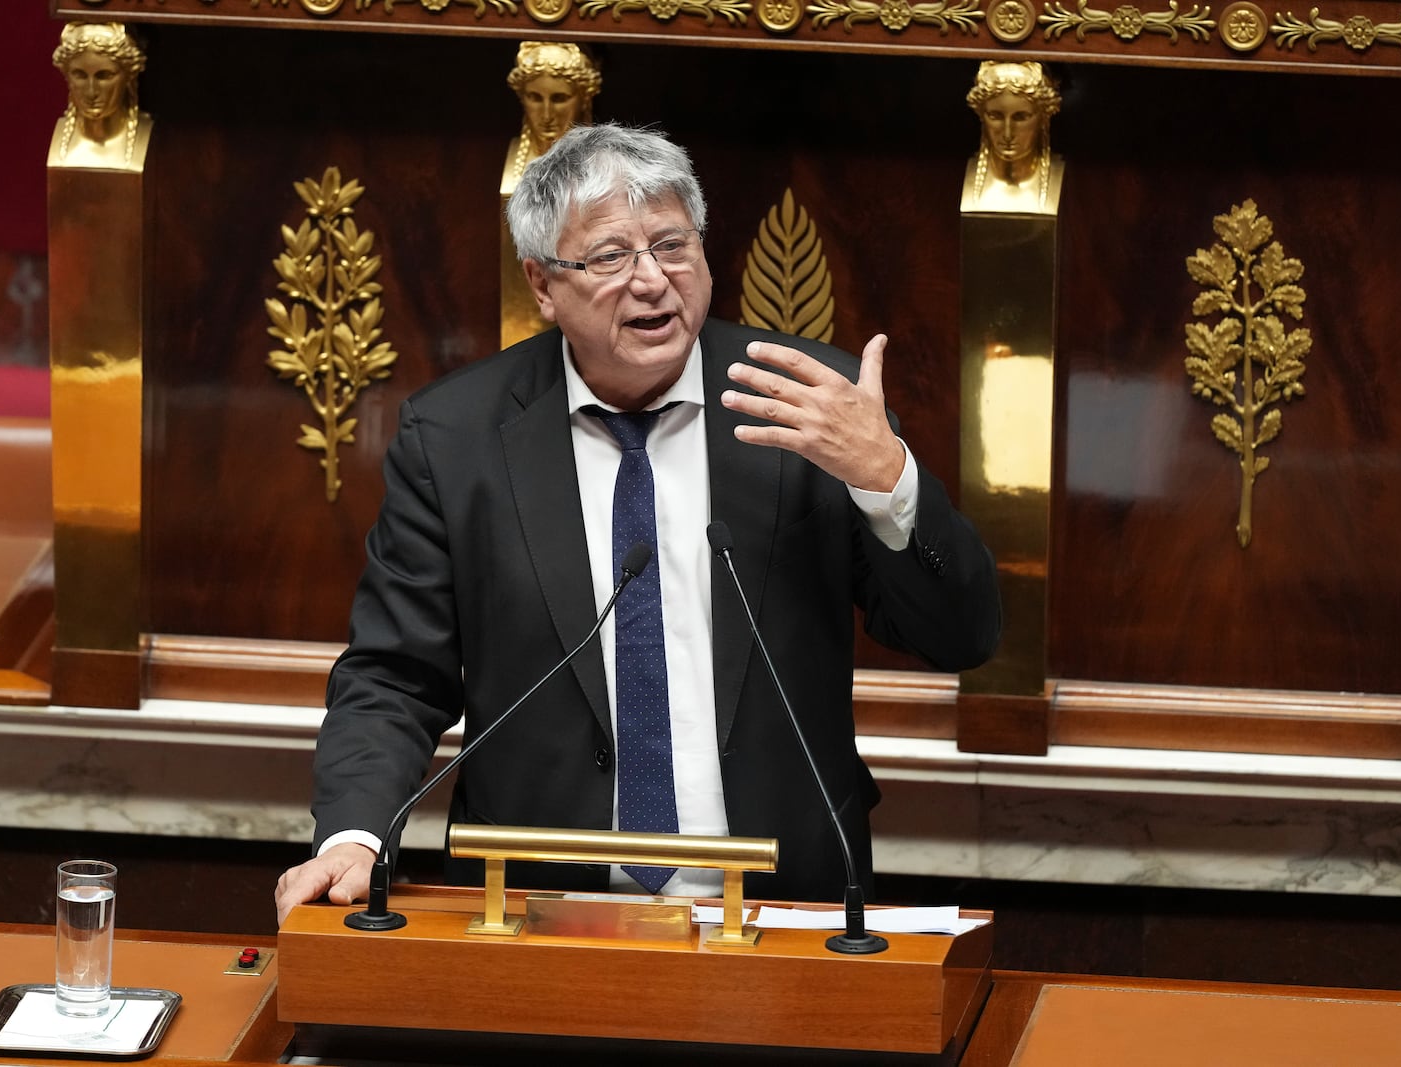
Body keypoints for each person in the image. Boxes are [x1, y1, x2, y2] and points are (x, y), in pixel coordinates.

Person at [275, 124, 1001, 923]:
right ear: (543, 285)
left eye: (672, 246)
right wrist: (354, 834)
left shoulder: (812, 409)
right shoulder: (456, 439)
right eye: (612, 257)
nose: (653, 281)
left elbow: (961, 636)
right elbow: (394, 676)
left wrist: (888, 476)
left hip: (783, 906)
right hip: (532, 911)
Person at [960, 61, 1062, 214]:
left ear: (1044, 117)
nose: (1007, 134)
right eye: (995, 116)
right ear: (981, 115)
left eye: (1021, 117)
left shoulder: (1063, 179)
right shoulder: (956, 181)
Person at [500, 41, 602, 194]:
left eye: (559, 98)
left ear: (585, 99)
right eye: (535, 98)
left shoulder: (602, 166)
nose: (547, 115)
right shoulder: (516, 164)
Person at [49, 22, 152, 172]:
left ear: (129, 76)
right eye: (80, 75)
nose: (91, 92)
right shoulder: (61, 144)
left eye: (104, 76)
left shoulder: (145, 135)